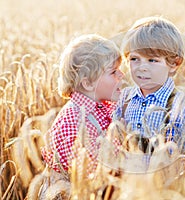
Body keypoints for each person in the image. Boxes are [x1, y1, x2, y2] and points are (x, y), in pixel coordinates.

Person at [38, 34, 124, 198]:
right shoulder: (75, 120)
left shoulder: (101, 108)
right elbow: (91, 174)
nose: (122, 75)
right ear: (88, 83)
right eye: (113, 72)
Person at [114, 16, 185, 155]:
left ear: (174, 64)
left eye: (152, 60)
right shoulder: (124, 99)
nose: (142, 68)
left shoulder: (183, 106)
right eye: (134, 59)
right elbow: (113, 142)